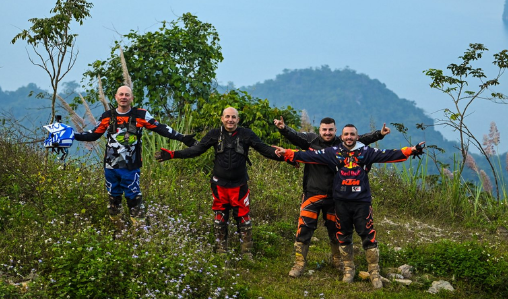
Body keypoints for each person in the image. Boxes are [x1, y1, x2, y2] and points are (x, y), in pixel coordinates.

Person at [275, 125, 423, 287]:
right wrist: (288, 153)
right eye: (346, 134)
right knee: (343, 235)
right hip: (340, 202)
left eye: (352, 134)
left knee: (368, 235)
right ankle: (348, 270)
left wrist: (411, 150)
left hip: (362, 202)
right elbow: (310, 155)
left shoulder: (366, 152)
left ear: (357, 136)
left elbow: (388, 154)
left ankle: (375, 274)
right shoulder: (333, 152)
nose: (349, 137)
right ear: (342, 136)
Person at [155, 107, 281, 259]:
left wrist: (287, 156)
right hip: (219, 185)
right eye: (227, 117)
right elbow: (197, 150)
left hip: (239, 185)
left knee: (244, 219)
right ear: (222, 118)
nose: (230, 120)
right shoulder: (214, 134)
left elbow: (265, 149)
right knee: (220, 218)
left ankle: (247, 253)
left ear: (238, 120)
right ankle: (221, 251)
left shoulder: (246, 134)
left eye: (233, 117)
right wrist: (173, 154)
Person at [273, 116, 389, 278]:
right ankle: (298, 264)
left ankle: (338, 261)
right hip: (312, 193)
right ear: (319, 130)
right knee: (304, 228)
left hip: (336, 197)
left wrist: (379, 134)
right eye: (324, 130)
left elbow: (360, 138)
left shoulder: (341, 144)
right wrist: (283, 128)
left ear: (336, 131)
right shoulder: (310, 141)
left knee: (336, 231)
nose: (327, 133)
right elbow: (295, 137)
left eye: (330, 130)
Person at [74, 85, 196, 233]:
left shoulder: (140, 115)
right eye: (121, 94)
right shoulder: (108, 116)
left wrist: (182, 138)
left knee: (134, 198)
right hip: (110, 166)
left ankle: (140, 233)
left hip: (130, 166)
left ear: (131, 98)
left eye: (127, 95)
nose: (124, 97)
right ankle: (118, 231)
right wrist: (72, 135)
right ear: (116, 97)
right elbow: (93, 134)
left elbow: (160, 127)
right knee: (113, 199)